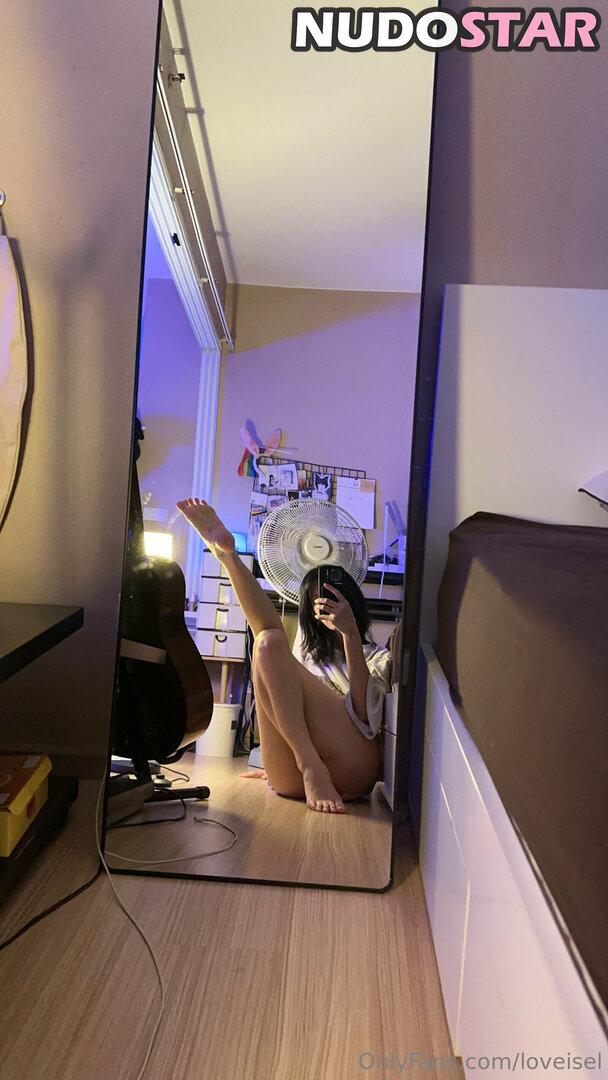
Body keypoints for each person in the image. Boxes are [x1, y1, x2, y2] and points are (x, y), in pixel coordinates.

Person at [177, 498, 392, 814]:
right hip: (291, 777)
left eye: (333, 598)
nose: (326, 607)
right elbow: (268, 639)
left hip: (353, 768)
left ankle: (310, 766)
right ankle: (228, 556)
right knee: (267, 643)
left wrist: (350, 634)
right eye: (316, 603)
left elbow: (365, 717)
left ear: (352, 604)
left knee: (269, 642)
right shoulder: (302, 660)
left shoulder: (377, 657)